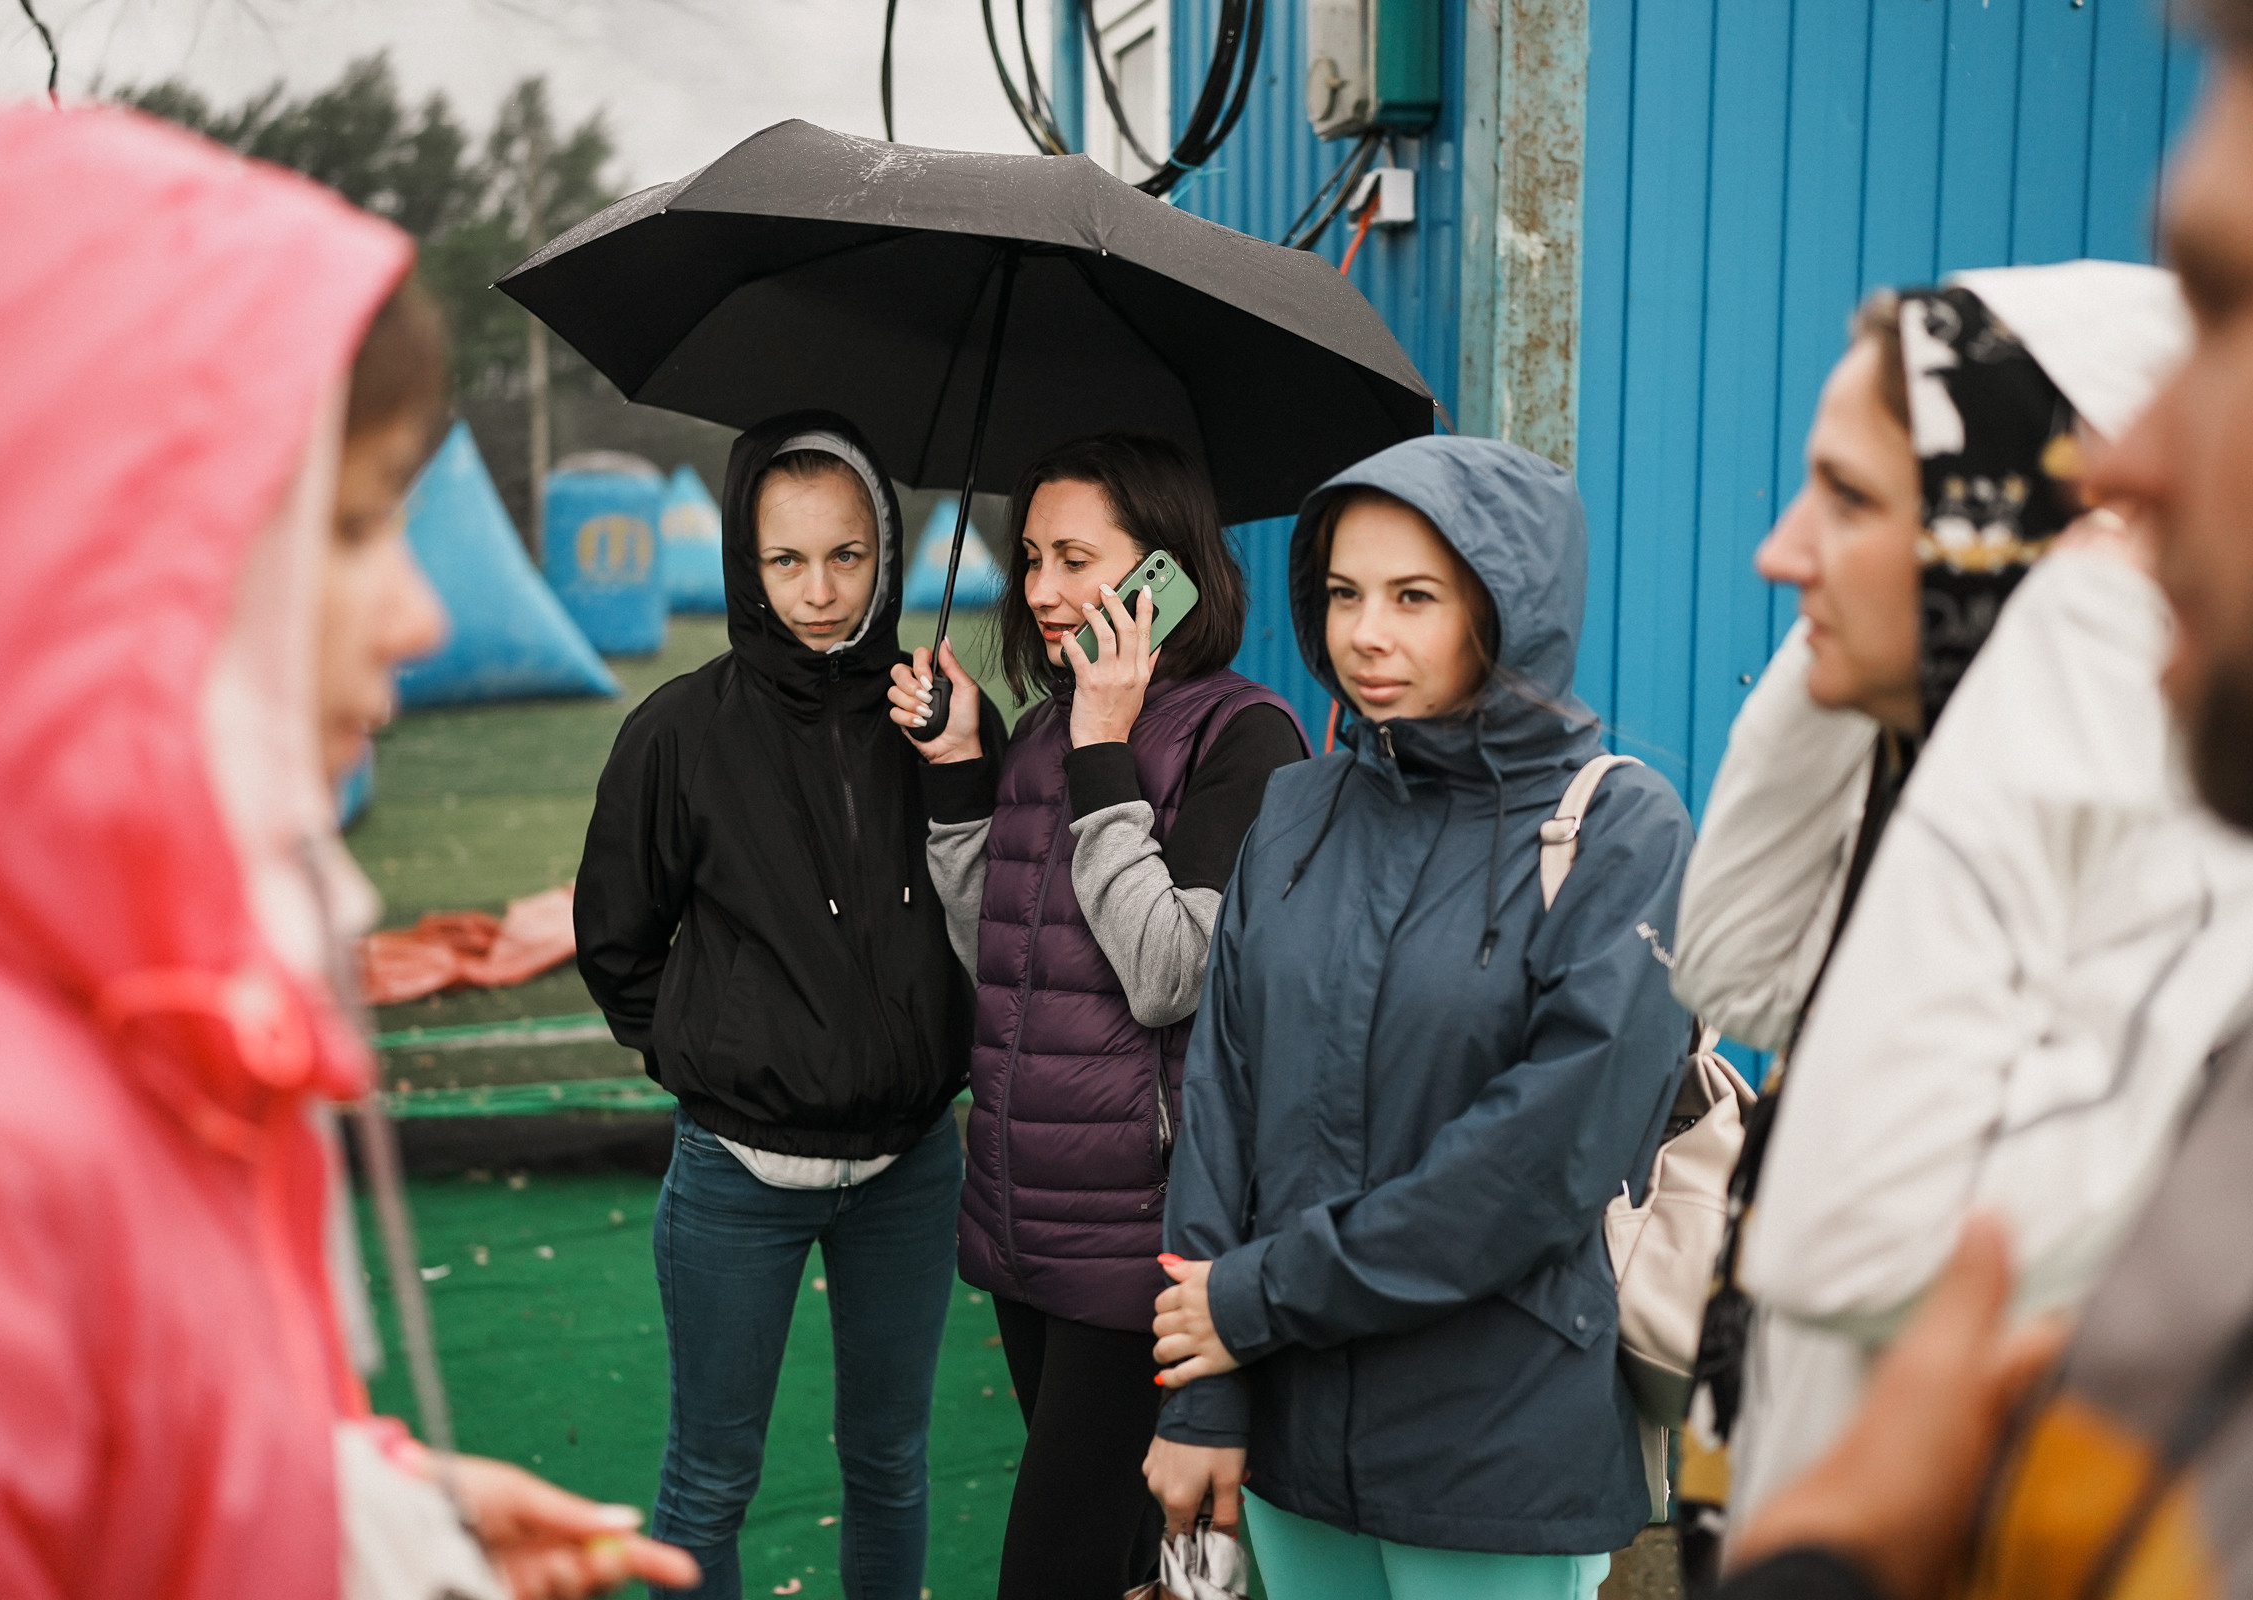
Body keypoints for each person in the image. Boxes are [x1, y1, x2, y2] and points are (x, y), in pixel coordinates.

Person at [0, 106, 695, 1598]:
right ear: (104, 548)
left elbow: (132, 1451)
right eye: (357, 524)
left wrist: (365, 1511)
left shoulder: (147, 1013)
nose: (420, 617)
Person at [1718, 11, 2253, 1589]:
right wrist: (1889, 654)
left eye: (1855, 498)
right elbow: (1733, 956)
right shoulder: (1964, 787)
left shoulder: (2166, 837)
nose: (1783, 551)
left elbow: (1836, 1238)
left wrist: (2063, 621)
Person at [1140, 436, 1697, 1600]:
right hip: (1292, 1442)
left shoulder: (1621, 830)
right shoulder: (1296, 811)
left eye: (1414, 597)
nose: (1366, 634)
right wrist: (1206, 1389)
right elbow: (1221, 1097)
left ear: (1508, 606)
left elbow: (1538, 1161)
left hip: (1494, 1452)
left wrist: (1257, 1300)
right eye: (1343, 593)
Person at [575, 411, 998, 1600]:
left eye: (847, 555)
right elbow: (616, 941)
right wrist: (715, 1049)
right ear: (743, 564)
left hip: (911, 1169)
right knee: (708, 1481)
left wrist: (962, 764)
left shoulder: (945, 717)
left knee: (893, 1464)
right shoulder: (675, 732)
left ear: (888, 554)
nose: (819, 590)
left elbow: (992, 918)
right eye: (786, 559)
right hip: (734, 1177)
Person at [882, 433, 1306, 1600]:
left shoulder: (1244, 737)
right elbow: (1004, 960)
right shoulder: (1039, 731)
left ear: (1163, 571)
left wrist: (1105, 751)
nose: (1043, 590)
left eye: (1077, 556)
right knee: (1145, 1565)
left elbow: (1171, 972)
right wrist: (964, 774)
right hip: (1028, 1225)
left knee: (1062, 1568)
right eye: (1030, 558)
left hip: (1148, 1243)